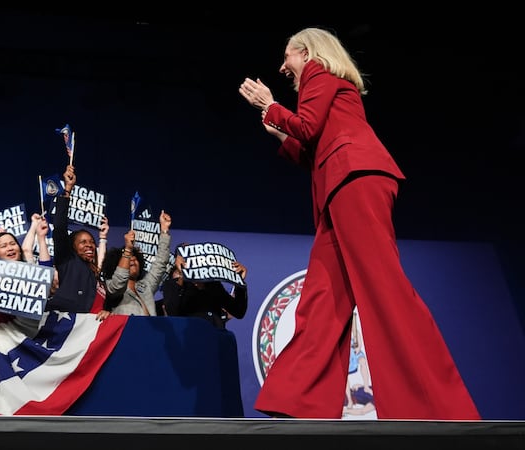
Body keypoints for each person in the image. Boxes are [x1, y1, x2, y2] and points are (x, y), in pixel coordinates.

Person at [238, 27, 479, 420]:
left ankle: (432, 403)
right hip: (339, 187)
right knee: (322, 297)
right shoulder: (327, 86)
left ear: (308, 51)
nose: (284, 67)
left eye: (288, 57)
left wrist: (271, 106)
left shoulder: (319, 71)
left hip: (356, 181)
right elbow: (315, 149)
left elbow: (308, 127)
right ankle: (300, 401)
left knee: (384, 288)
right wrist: (279, 131)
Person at [46, 164, 109, 320]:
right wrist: (67, 190)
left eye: (91, 242)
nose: (89, 244)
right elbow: (60, 228)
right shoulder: (68, 260)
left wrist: (108, 311)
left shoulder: (97, 274)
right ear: (72, 247)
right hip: (69, 329)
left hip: (91, 331)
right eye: (82, 242)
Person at [99, 210, 172, 316]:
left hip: (149, 332)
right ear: (117, 265)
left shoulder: (146, 286)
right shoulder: (111, 285)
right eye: (128, 259)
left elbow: (161, 262)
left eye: (135, 258)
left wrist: (164, 231)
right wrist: (128, 249)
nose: (132, 259)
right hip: (127, 332)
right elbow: (118, 283)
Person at [161, 243, 248, 329]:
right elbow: (172, 312)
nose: (190, 258)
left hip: (214, 338)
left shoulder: (213, 285)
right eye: (185, 254)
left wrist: (239, 282)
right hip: (190, 339)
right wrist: (182, 276)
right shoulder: (172, 285)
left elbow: (238, 311)